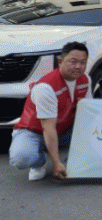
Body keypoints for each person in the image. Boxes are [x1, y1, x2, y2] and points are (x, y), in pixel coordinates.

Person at [9, 42, 92, 181]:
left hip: (63, 130)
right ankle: (39, 162)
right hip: (34, 131)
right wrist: (56, 163)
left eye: (83, 62)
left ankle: (71, 163)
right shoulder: (46, 87)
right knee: (21, 157)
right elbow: (48, 128)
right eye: (73, 62)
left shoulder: (86, 80)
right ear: (60, 62)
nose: (78, 66)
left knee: (94, 127)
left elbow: (88, 113)